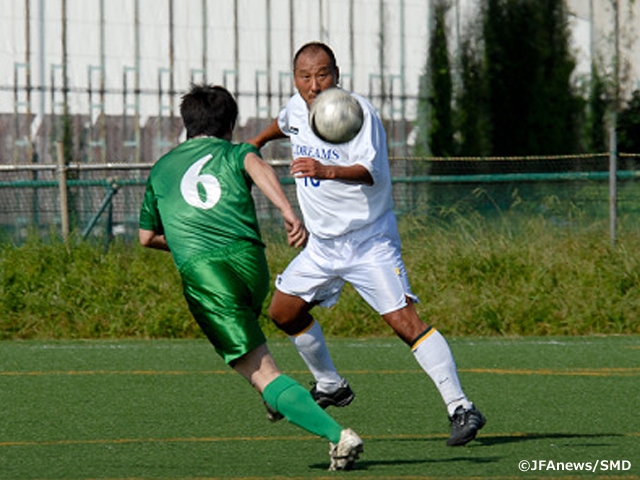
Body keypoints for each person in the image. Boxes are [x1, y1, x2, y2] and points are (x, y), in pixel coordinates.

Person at [248, 42, 486, 447]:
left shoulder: (355, 113)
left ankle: (461, 407)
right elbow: (282, 123)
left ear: (337, 74)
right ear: (295, 79)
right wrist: (254, 144)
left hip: (368, 241)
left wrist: (325, 169)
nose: (313, 84)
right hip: (323, 247)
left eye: (322, 74)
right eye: (304, 77)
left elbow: (368, 171)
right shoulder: (296, 107)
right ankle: (330, 385)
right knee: (283, 312)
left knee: (404, 322)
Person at [138, 83, 363, 470]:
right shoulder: (237, 151)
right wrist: (289, 214)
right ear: (229, 125)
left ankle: (337, 435)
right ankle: (275, 396)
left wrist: (188, 242)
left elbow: (146, 238)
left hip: (207, 273)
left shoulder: (161, 169)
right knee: (252, 344)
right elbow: (256, 165)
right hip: (251, 264)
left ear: (186, 125)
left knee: (261, 370)